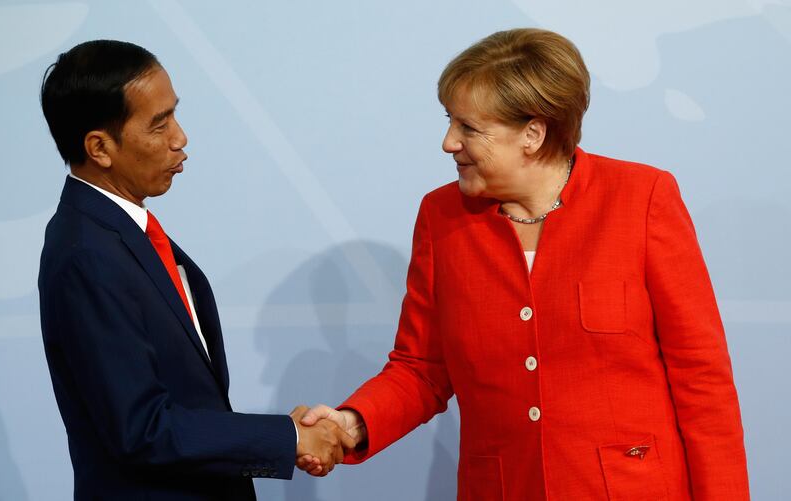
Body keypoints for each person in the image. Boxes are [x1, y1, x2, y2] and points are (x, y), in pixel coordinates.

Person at [297, 28, 750, 500]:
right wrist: (351, 422)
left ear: (533, 134)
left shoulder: (642, 198)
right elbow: (422, 368)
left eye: (468, 128)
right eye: (450, 121)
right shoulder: (440, 216)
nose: (449, 143)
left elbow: (702, 381)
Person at [37, 40, 354, 501]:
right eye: (159, 124)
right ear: (100, 147)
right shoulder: (85, 252)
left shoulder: (122, 234)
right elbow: (142, 428)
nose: (179, 137)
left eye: (174, 115)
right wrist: (287, 438)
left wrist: (285, 434)